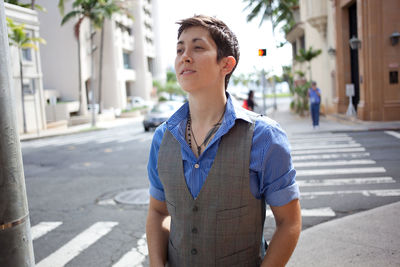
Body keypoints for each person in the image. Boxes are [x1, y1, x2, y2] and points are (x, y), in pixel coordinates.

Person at [146, 15, 301, 267]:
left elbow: (289, 222)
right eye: (179, 49)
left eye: (198, 47)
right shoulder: (162, 138)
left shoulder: (264, 137)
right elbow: (158, 212)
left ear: (226, 64)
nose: (185, 56)